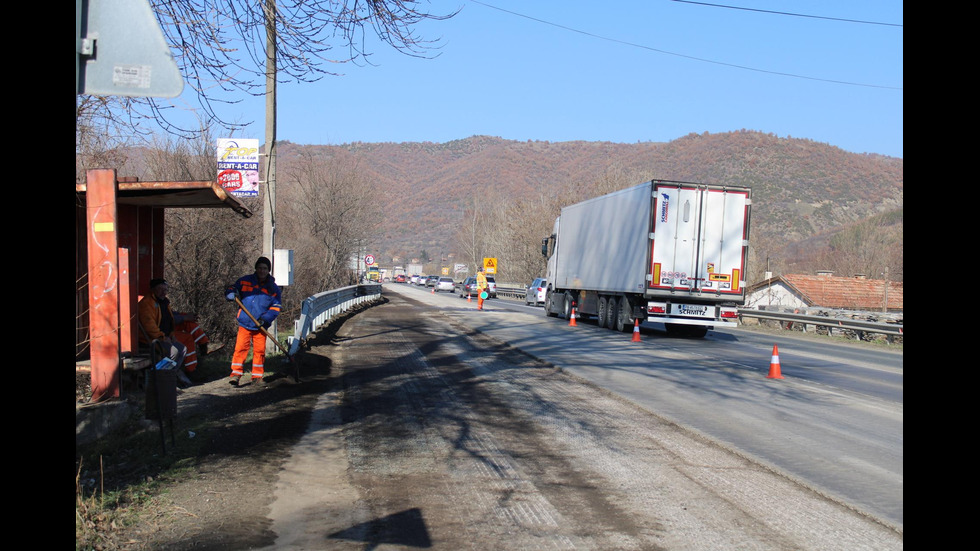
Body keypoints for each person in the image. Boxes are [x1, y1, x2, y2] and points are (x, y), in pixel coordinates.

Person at [138, 278, 211, 386]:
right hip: (152, 339)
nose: (164, 292)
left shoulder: (164, 302)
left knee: (182, 349)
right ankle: (155, 380)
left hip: (164, 336)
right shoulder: (147, 304)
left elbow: (169, 321)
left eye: (165, 289)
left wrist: (171, 335)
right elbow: (149, 327)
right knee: (174, 352)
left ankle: (168, 377)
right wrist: (162, 337)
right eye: (160, 289)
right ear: (153, 289)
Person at [225, 256, 282, 386]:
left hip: (260, 325)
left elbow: (276, 307)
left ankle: (257, 376)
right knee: (240, 348)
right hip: (245, 322)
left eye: (265, 268)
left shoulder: (273, 288)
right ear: (256, 268)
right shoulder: (245, 281)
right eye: (260, 268)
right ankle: (236, 374)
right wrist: (230, 294)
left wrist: (265, 319)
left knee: (259, 351)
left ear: (269, 270)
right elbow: (231, 289)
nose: (262, 271)